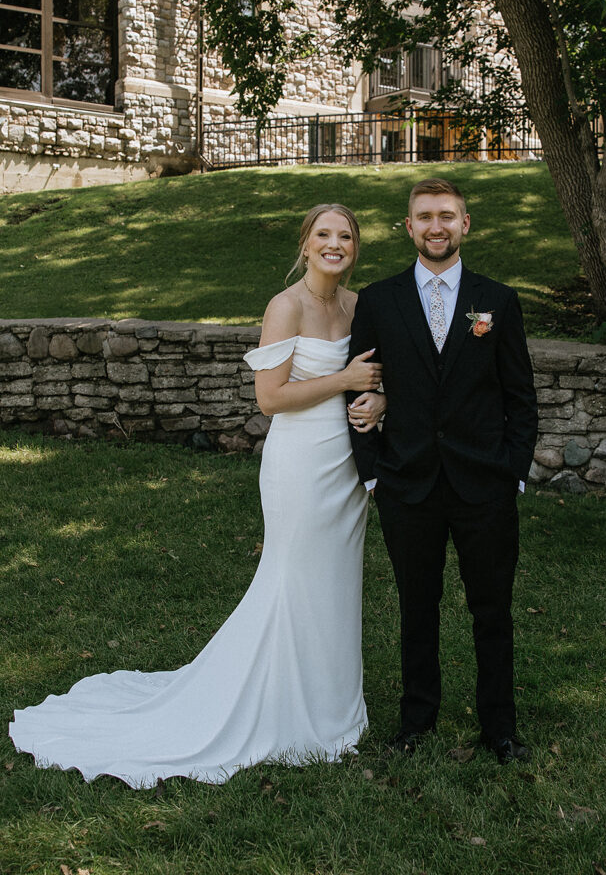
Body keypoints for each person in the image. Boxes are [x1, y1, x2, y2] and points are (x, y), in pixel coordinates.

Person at [9, 204, 384, 788]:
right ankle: (278, 708)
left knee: (336, 580)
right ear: (305, 245)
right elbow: (271, 399)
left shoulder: (359, 307)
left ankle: (331, 706)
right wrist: (345, 383)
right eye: (323, 235)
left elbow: (377, 374)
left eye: (346, 236)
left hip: (346, 465)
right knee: (294, 578)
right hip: (300, 462)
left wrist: (375, 397)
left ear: (355, 248)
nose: (335, 245)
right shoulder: (285, 307)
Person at [346, 178, 538, 764]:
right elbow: (358, 387)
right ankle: (416, 720)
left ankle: (499, 727)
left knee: (492, 608)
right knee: (416, 606)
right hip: (407, 482)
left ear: (465, 224)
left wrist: (513, 471)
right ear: (409, 227)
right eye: (425, 216)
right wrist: (375, 474)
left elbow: (520, 398)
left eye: (447, 216)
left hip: (485, 483)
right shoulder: (378, 301)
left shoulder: (497, 300)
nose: (436, 226)